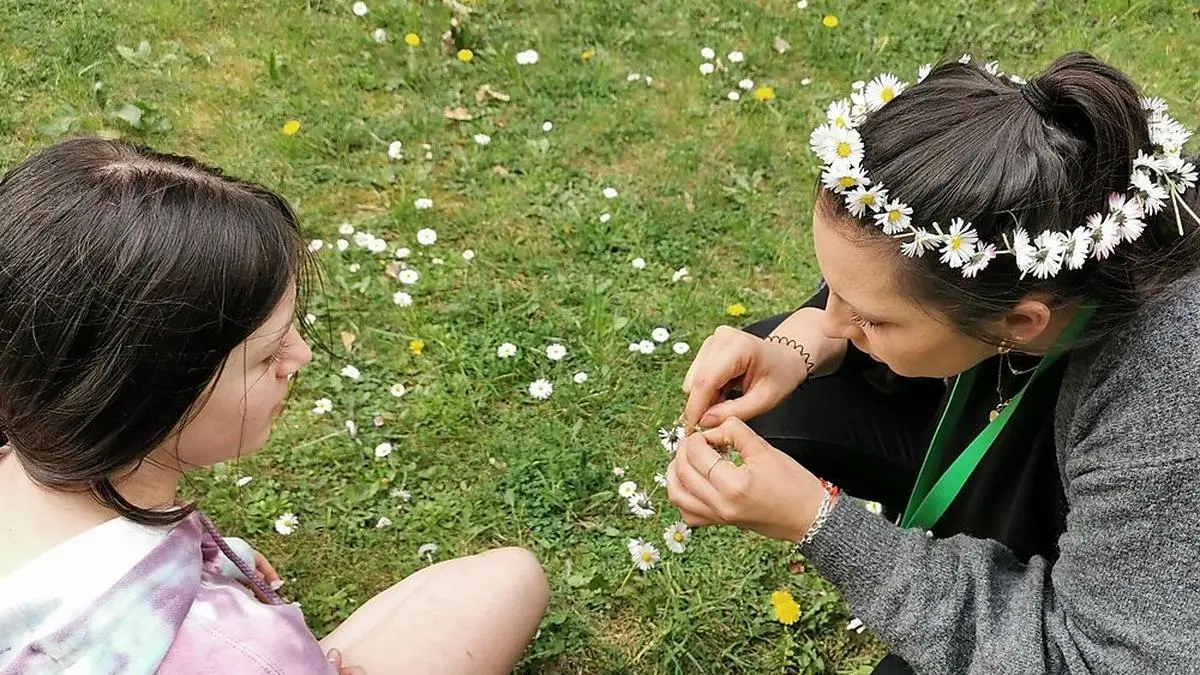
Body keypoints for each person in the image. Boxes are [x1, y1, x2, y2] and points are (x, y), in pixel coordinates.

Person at [668, 51, 1200, 674]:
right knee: (778, 402)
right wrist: (798, 343)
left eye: (871, 318)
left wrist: (822, 526)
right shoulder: (1063, 194)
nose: (832, 318)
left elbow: (1093, 660)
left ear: (1018, 322)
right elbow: (890, 285)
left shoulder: (1165, 390)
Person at [0, 138, 550, 675]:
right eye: (266, 355)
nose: (300, 356)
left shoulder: (30, 454)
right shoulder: (241, 654)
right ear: (147, 396)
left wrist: (212, 556)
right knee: (510, 579)